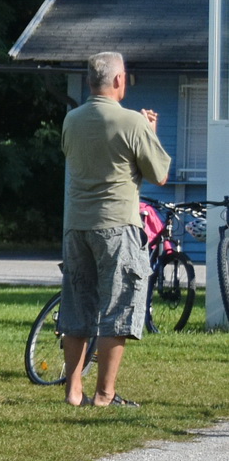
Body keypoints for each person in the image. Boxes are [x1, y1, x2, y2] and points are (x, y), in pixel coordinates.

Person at [59, 51, 170, 408]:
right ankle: (105, 395)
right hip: (117, 225)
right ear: (118, 80)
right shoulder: (132, 123)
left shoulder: (71, 119)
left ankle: (73, 390)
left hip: (77, 224)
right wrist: (149, 133)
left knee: (78, 308)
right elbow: (159, 174)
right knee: (118, 309)